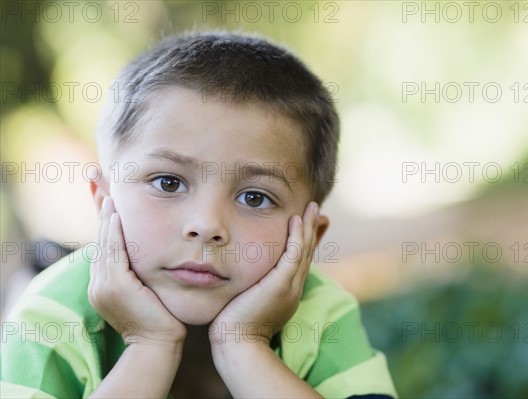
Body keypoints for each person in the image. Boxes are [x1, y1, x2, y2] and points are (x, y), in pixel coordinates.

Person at [1, 31, 397, 398]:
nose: (207, 225)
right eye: (168, 183)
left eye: (255, 198)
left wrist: (243, 343)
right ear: (104, 199)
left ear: (310, 236)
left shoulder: (320, 311)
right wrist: (150, 345)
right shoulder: (51, 316)